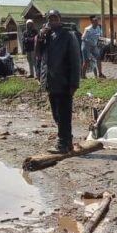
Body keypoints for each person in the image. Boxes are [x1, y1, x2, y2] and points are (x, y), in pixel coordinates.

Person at [38, 9, 81, 154]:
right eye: (50, 19)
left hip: (64, 82)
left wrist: (74, 83)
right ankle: (67, 141)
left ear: (60, 19)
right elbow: (38, 54)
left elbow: (76, 60)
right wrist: (40, 37)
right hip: (50, 82)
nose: (53, 21)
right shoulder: (47, 36)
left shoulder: (68, 36)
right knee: (56, 114)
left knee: (64, 115)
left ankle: (62, 144)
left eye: (55, 18)